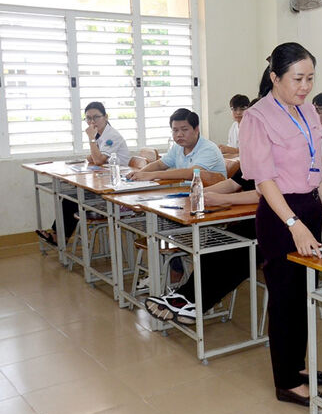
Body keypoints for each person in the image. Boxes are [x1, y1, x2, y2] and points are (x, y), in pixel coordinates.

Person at [240, 42, 322, 407]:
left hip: (310, 206)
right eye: (297, 78)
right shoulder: (257, 117)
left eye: (310, 78)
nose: (305, 86)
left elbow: (317, 167)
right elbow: (264, 180)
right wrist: (294, 223)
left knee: (302, 295)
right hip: (280, 213)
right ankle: (285, 380)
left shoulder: (308, 111)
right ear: (274, 78)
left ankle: (297, 365)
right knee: (283, 297)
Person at [144, 168, 261, 324]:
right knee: (216, 243)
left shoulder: (275, 157)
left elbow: (264, 195)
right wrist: (198, 192)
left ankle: (198, 304)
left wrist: (223, 199)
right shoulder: (251, 156)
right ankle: (185, 296)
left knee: (235, 255)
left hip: (276, 226)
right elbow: (232, 183)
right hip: (252, 220)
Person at [35, 101, 130, 246]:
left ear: (105, 117)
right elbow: (93, 158)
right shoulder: (100, 134)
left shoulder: (112, 136)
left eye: (96, 117)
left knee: (71, 199)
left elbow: (98, 160)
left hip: (117, 188)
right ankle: (58, 236)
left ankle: (59, 238)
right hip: (104, 181)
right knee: (68, 197)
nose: (92, 122)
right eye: (88, 118)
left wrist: (91, 139)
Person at [127, 108, 226, 183]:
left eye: (184, 129)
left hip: (211, 196)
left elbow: (191, 173)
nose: (179, 134)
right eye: (175, 130)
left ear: (196, 129)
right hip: (186, 192)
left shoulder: (208, 149)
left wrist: (151, 175)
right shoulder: (178, 146)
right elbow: (160, 164)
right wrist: (139, 174)